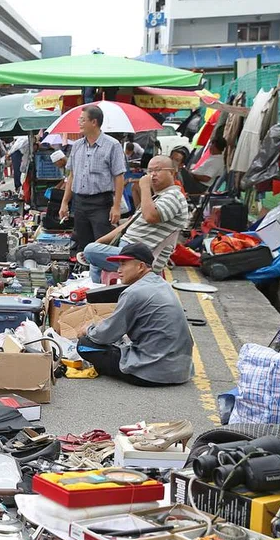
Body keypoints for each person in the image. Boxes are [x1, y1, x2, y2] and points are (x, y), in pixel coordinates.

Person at [77, 243, 193, 386]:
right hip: (181, 370)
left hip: (154, 373)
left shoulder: (134, 292)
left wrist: (88, 330)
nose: (119, 270)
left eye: (123, 264)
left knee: (85, 345)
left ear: (140, 267)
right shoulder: (162, 284)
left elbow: (106, 335)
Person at [82, 155, 189, 283]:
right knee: (93, 252)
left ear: (172, 173)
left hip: (141, 258)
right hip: (128, 250)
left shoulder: (174, 196)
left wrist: (144, 187)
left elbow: (150, 216)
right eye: (150, 171)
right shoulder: (158, 197)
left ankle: (95, 293)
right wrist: (99, 242)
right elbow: (127, 225)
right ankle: (96, 293)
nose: (152, 175)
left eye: (158, 170)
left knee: (90, 251)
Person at [59, 105, 127, 250]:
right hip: (79, 203)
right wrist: (65, 202)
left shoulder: (112, 145)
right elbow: (72, 175)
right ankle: (86, 272)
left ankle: (102, 272)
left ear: (94, 122)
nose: (79, 123)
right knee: (83, 245)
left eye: (82, 120)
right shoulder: (77, 145)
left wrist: (116, 207)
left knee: (102, 245)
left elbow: (119, 176)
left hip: (101, 203)